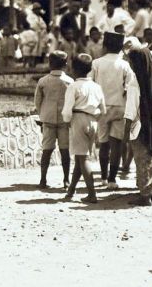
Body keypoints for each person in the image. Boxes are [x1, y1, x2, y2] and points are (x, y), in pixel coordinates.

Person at [89, 32, 135, 188]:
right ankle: (112, 179)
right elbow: (129, 87)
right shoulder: (125, 65)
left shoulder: (96, 63)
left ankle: (102, 177)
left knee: (104, 143)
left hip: (101, 107)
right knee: (116, 144)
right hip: (119, 107)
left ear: (105, 46)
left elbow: (91, 84)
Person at [124, 47, 152, 206]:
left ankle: (145, 196)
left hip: (139, 127)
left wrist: (125, 134)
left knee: (142, 161)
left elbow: (130, 111)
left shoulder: (134, 82)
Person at [61, 54, 104, 203]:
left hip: (78, 119)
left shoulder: (73, 86)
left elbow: (67, 110)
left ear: (74, 70)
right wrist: (93, 117)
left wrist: (67, 121)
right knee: (81, 157)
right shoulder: (96, 87)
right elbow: (103, 109)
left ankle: (92, 194)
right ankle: (71, 191)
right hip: (93, 120)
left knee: (83, 158)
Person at [35, 51, 73, 189]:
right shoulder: (69, 81)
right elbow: (72, 102)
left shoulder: (43, 81)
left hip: (48, 120)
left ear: (49, 63)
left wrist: (43, 115)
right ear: (66, 64)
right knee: (65, 151)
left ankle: (43, 179)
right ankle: (66, 180)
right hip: (64, 121)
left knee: (47, 150)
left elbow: (37, 101)